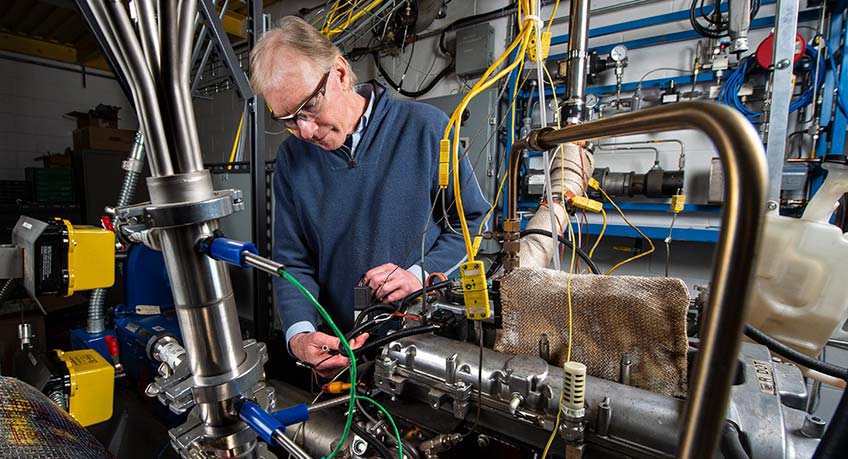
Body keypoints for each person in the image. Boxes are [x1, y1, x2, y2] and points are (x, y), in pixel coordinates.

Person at [250, 16, 490, 377]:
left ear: (341, 74)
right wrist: (300, 335)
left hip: (429, 349)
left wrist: (419, 275)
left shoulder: (428, 129)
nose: (304, 130)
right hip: (342, 350)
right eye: (287, 119)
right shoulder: (291, 160)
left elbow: (471, 221)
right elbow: (293, 263)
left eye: (309, 108)